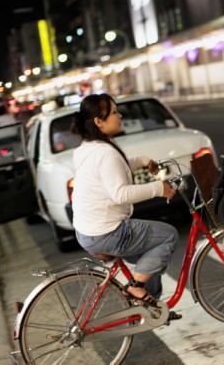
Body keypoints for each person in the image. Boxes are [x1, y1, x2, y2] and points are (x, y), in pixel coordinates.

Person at [71, 93, 180, 313]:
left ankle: (145, 308)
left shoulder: (87, 148)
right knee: (169, 235)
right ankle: (136, 289)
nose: (120, 115)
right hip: (108, 232)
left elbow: (112, 171)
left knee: (152, 261)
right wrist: (159, 188)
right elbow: (120, 194)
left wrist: (141, 161)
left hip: (88, 231)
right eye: (114, 112)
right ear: (99, 122)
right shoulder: (104, 152)